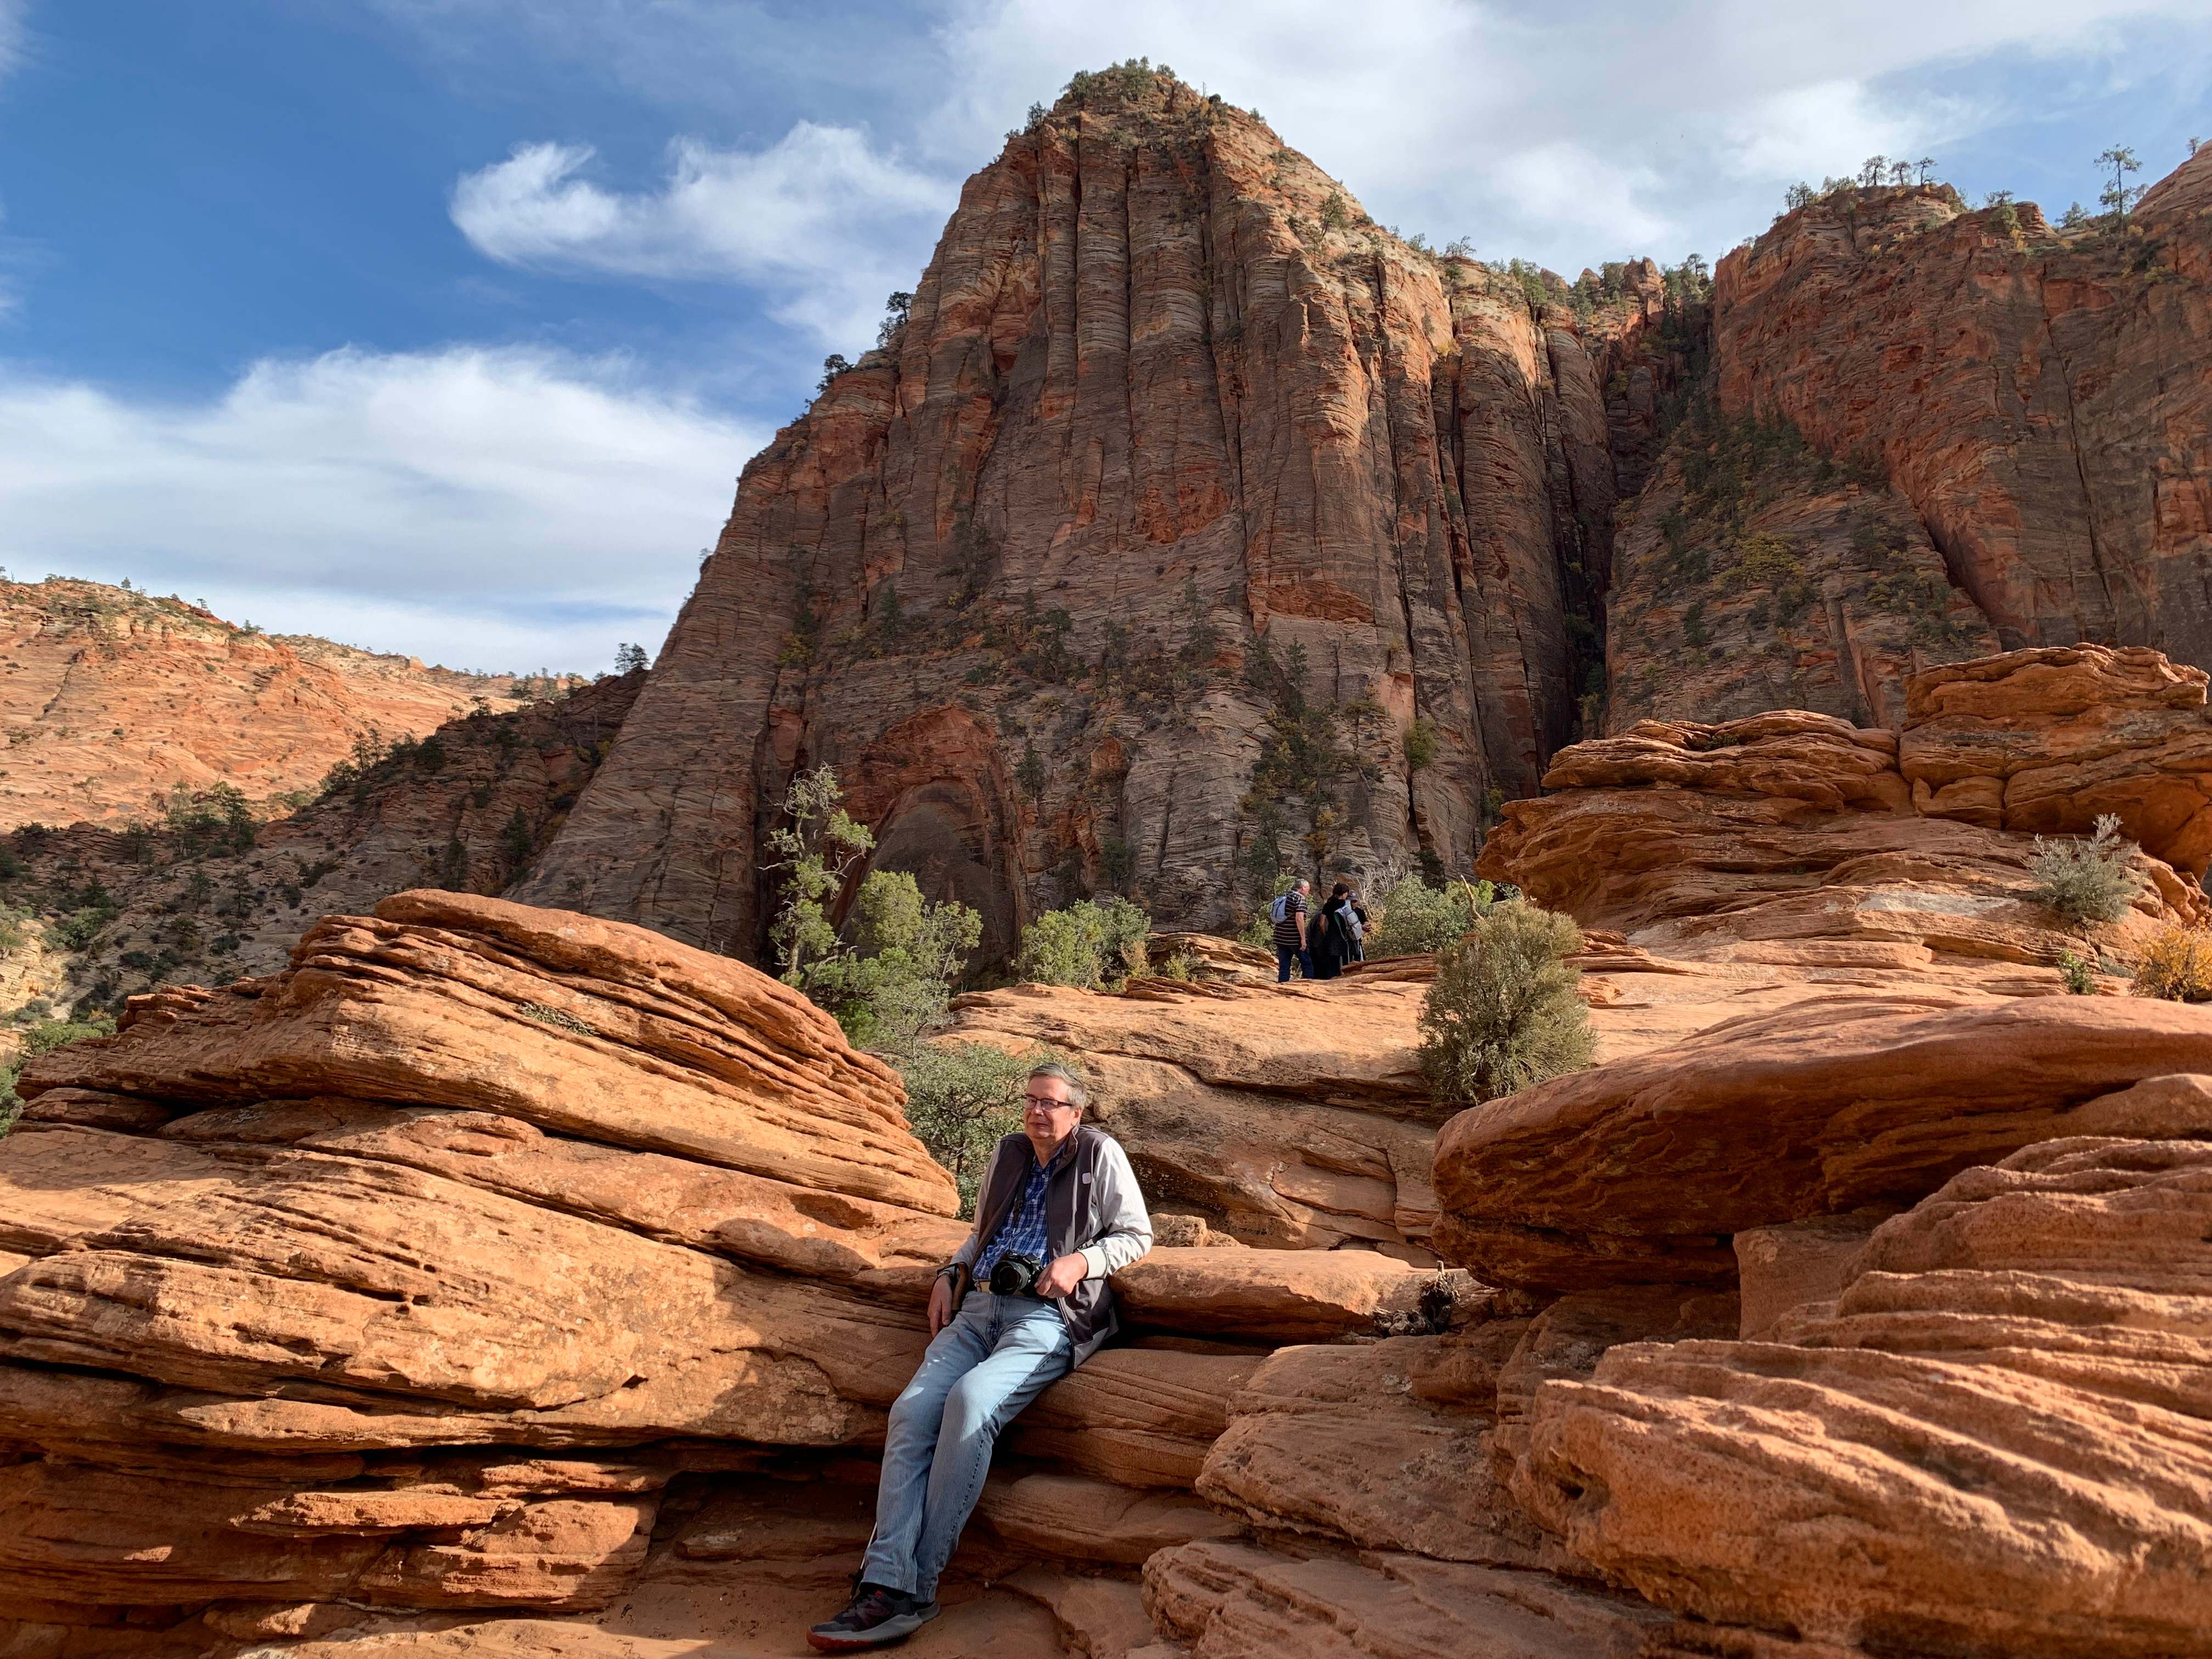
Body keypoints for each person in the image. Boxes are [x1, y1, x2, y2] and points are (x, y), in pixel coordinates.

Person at [808, 1062, 1152, 1652]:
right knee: (912, 1413)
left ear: (1076, 1112)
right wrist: (951, 1271)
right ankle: (883, 1581)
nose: (1037, 1112)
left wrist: (1079, 1262)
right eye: (1031, 1101)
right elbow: (983, 1233)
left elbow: (1136, 1235)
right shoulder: (1010, 1152)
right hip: (979, 1308)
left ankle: (913, 1589)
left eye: (1050, 1103)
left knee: (971, 1403)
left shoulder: (1100, 1155)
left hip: (1049, 1316)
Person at [1311, 882, 1357, 979]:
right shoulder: (1346, 904)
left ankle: (1331, 981)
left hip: (1332, 936)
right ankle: (1346, 980)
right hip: (1345, 936)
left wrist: (1326, 933)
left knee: (1333, 961)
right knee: (1346, 961)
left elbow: (1322, 923)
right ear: (1344, 893)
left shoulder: (1328, 905)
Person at [1271, 878, 1312, 981]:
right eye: (1308, 889)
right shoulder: (1299, 898)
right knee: (1307, 963)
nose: (1308, 892)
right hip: (1294, 939)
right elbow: (1299, 919)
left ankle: (1282, 987)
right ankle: (1309, 986)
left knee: (1284, 965)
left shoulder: (1284, 896)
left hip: (1280, 937)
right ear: (1303, 888)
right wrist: (1303, 939)